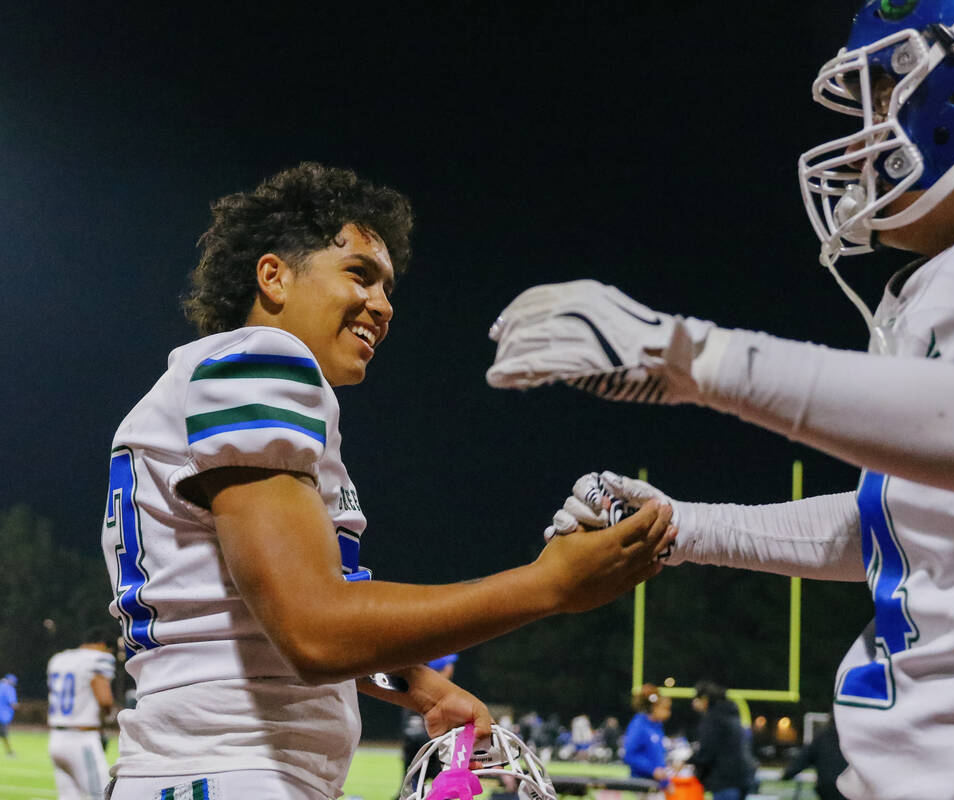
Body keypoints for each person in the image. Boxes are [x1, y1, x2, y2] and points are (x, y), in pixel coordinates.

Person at [486, 2, 954, 798]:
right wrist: (684, 526)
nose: (869, 130)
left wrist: (693, 358)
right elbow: (903, 525)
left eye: (893, 91)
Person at [99, 163, 672, 800]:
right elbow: (314, 630)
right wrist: (549, 585)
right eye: (359, 274)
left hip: (213, 771)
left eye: (388, 286)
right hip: (231, 772)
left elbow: (254, 618)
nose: (383, 304)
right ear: (274, 275)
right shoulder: (260, 360)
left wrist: (422, 684)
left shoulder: (218, 379)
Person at [47, 627, 117, 800]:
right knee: (101, 796)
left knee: (69, 797)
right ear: (102, 645)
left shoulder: (59, 659)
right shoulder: (98, 659)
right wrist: (109, 716)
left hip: (56, 738)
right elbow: (105, 700)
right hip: (81, 739)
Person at [397, 654, 457, 791]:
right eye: (448, 665)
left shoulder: (448, 695)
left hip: (437, 756)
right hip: (420, 757)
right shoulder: (422, 695)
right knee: (412, 792)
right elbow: (413, 732)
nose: (451, 668)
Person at [686, 682, 756, 800]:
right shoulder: (731, 714)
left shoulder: (713, 719)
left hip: (725, 781)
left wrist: (688, 761)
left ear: (704, 699)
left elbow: (707, 752)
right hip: (742, 778)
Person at [782, 716, 848, 800]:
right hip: (848, 788)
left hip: (827, 788)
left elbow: (802, 760)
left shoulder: (821, 738)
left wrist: (786, 775)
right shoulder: (855, 738)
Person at [622, 683, 672, 788]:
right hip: (641, 784)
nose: (668, 713)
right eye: (665, 709)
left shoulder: (657, 727)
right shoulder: (639, 725)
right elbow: (629, 755)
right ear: (654, 707)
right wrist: (652, 770)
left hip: (656, 785)